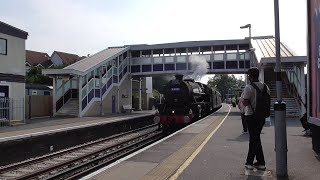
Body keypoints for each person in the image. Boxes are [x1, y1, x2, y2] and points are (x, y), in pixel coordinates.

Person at [242, 67, 270, 171]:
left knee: (253, 139)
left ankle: (250, 162)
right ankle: (260, 162)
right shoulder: (265, 87)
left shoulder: (248, 87)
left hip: (250, 116)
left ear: (249, 76)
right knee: (256, 138)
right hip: (261, 116)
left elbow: (245, 103)